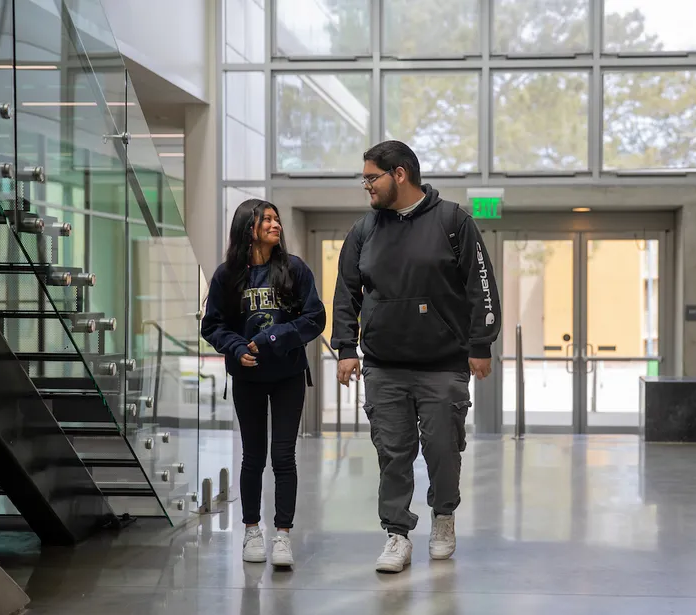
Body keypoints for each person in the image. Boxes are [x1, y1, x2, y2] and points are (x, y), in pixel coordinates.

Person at [331, 140, 501, 573]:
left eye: (372, 177)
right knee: (392, 452)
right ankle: (397, 534)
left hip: (443, 364)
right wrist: (346, 348)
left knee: (444, 448)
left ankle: (443, 517)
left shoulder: (452, 221)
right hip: (384, 365)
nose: (366, 185)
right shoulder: (365, 230)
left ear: (400, 174)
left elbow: (481, 284)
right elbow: (346, 291)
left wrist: (481, 344)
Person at [201, 199, 325, 568]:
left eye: (276, 219)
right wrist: (237, 348)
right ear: (247, 228)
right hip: (248, 379)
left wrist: (276, 337)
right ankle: (252, 530)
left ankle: (283, 535)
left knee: (283, 456)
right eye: (266, 220)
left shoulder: (294, 269)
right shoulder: (228, 276)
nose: (275, 225)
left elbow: (314, 318)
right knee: (253, 457)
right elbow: (212, 326)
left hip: (288, 377)